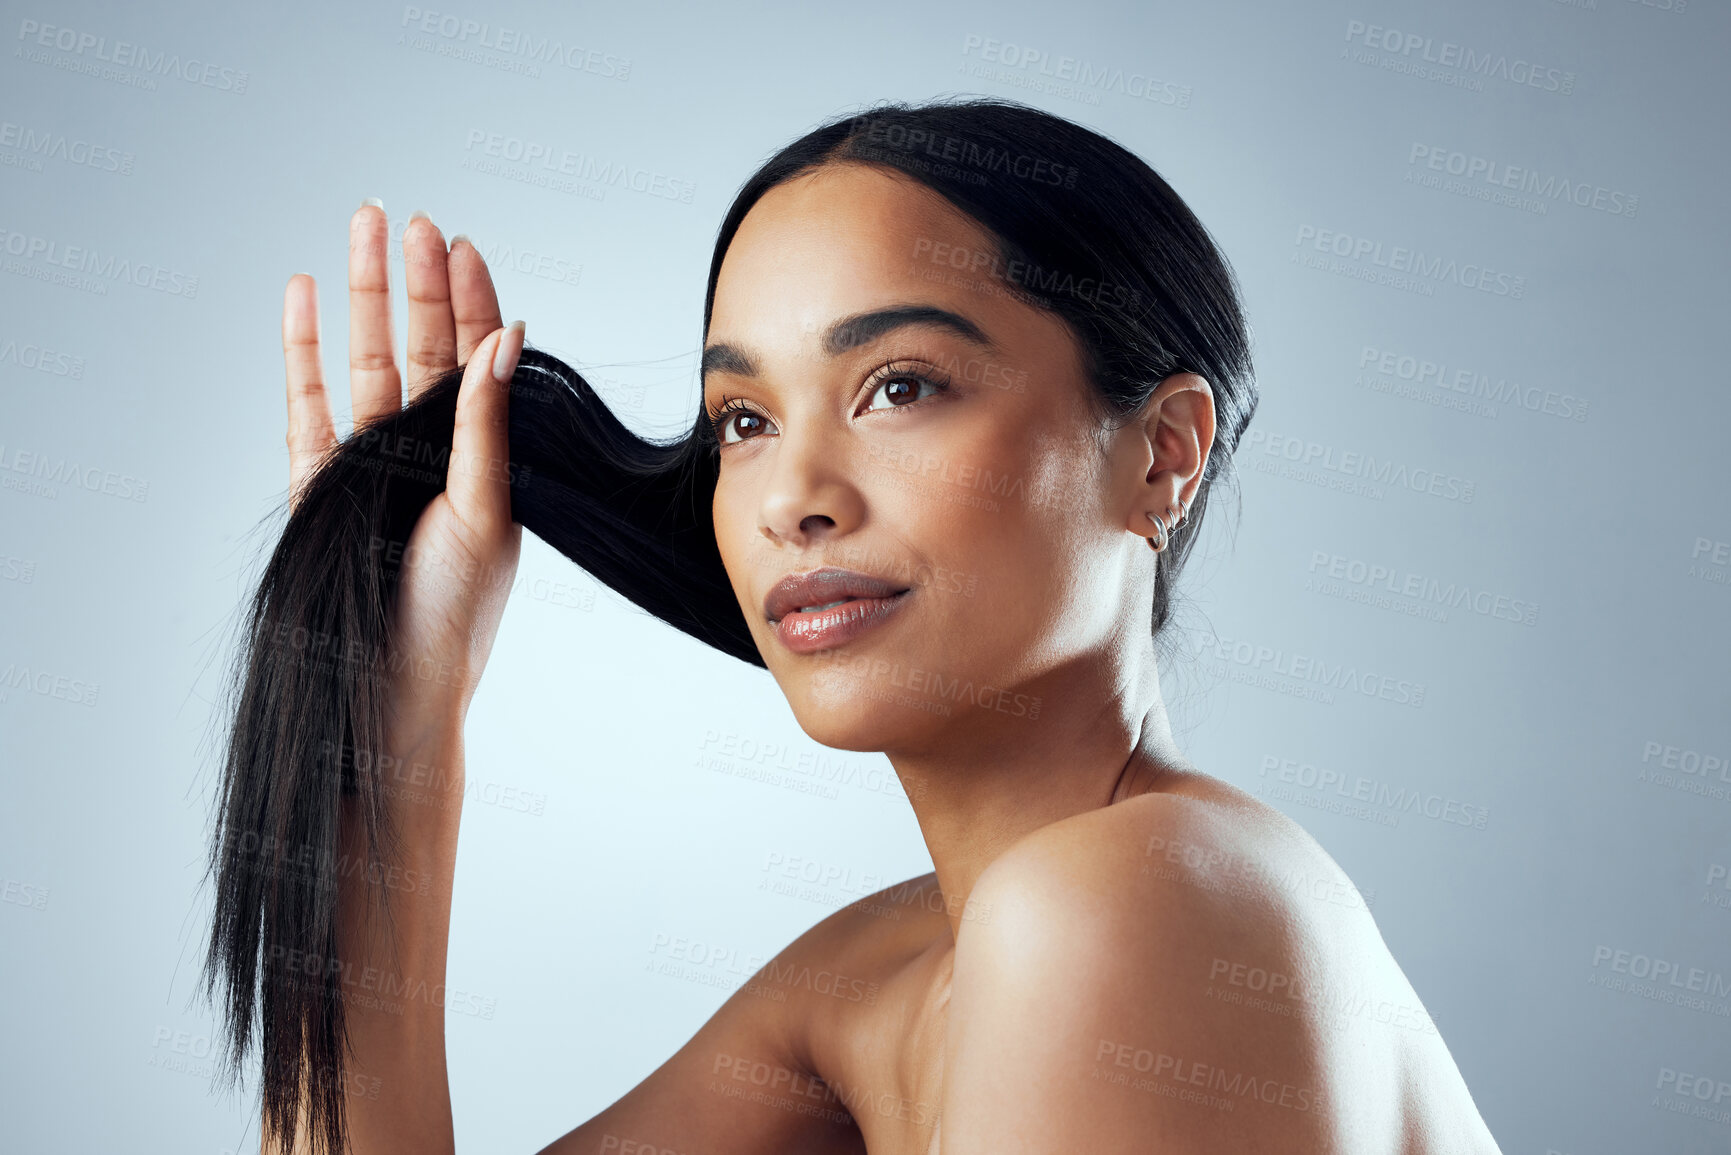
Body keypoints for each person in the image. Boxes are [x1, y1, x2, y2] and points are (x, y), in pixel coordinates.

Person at [221, 98, 1503, 1153]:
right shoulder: (880, 981)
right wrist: (384, 705)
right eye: (744, 420)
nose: (793, 498)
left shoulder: (1122, 905)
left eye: (898, 387)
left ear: (1163, 454)